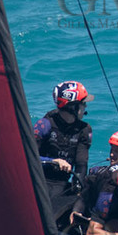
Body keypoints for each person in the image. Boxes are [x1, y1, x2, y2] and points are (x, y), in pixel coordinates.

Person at [34, 81, 93, 227]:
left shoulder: (84, 130)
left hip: (61, 185)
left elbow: (81, 164)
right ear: (72, 106)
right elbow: (27, 156)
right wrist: (53, 161)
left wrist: (79, 188)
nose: (85, 107)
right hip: (40, 180)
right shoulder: (45, 124)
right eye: (83, 103)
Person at [72, 130, 118, 233]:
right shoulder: (106, 178)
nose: (112, 154)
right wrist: (77, 211)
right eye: (112, 150)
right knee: (116, 225)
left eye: (117, 151)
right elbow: (84, 196)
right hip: (104, 215)